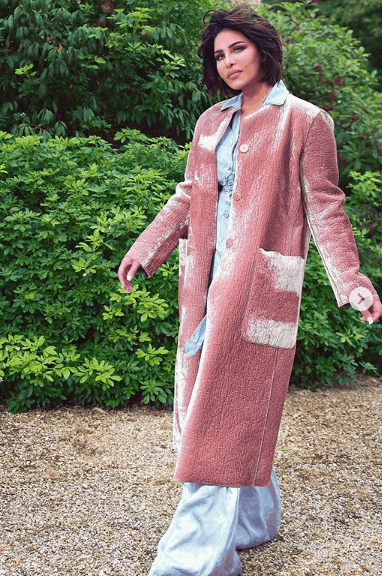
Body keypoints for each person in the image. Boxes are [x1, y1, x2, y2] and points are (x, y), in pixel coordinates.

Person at [117, 6, 381, 575]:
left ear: (263, 48)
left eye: (237, 48)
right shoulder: (212, 121)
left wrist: (351, 281)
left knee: (219, 415)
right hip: (203, 282)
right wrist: (148, 246)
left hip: (257, 289)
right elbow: (190, 193)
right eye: (219, 55)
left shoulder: (305, 121)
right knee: (226, 408)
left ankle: (192, 562)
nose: (228, 62)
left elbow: (325, 205)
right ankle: (253, 522)